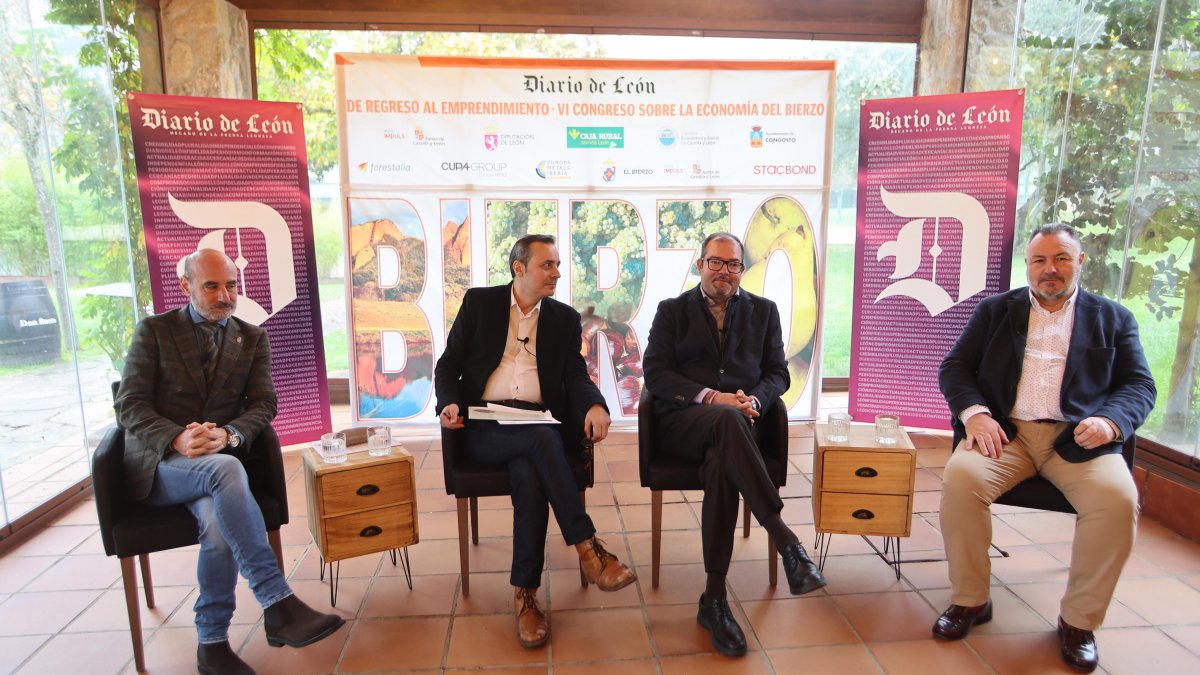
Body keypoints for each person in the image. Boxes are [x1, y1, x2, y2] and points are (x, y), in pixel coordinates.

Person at [936, 224, 1156, 672]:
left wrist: (1111, 421)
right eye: (1039, 260)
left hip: (1076, 441)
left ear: (1080, 262)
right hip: (1007, 435)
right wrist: (975, 413)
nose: (1049, 269)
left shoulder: (1113, 317)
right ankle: (972, 600)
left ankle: (1078, 621)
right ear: (1028, 265)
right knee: (961, 481)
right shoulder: (995, 311)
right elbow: (956, 366)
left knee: (1118, 500)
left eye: (1061, 259)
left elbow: (1139, 384)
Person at [115, 249, 344, 675]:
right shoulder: (155, 332)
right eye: (212, 286)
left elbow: (263, 403)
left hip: (216, 466)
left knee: (219, 523)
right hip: (161, 466)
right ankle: (277, 602)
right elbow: (128, 404)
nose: (226, 295)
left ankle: (212, 643)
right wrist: (177, 437)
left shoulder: (252, 337)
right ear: (186, 286)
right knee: (227, 469)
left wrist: (230, 434)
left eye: (232, 285)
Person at [434, 234, 637, 649]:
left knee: (530, 471)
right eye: (548, 265)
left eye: (558, 264)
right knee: (542, 443)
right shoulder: (480, 304)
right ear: (519, 268)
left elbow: (575, 376)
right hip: (485, 425)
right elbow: (449, 364)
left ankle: (525, 596)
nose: (558, 273)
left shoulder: (562, 319)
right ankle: (589, 548)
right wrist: (450, 402)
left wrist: (596, 405)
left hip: (536, 421)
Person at [642, 232, 826, 657]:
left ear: (742, 269)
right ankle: (786, 542)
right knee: (724, 418)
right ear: (700, 265)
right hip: (685, 422)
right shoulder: (672, 312)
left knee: (723, 466)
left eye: (733, 264)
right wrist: (714, 398)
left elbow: (779, 372)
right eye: (715, 263)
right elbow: (655, 373)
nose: (724, 271)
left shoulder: (764, 312)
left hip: (742, 424)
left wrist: (756, 399)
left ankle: (714, 600)